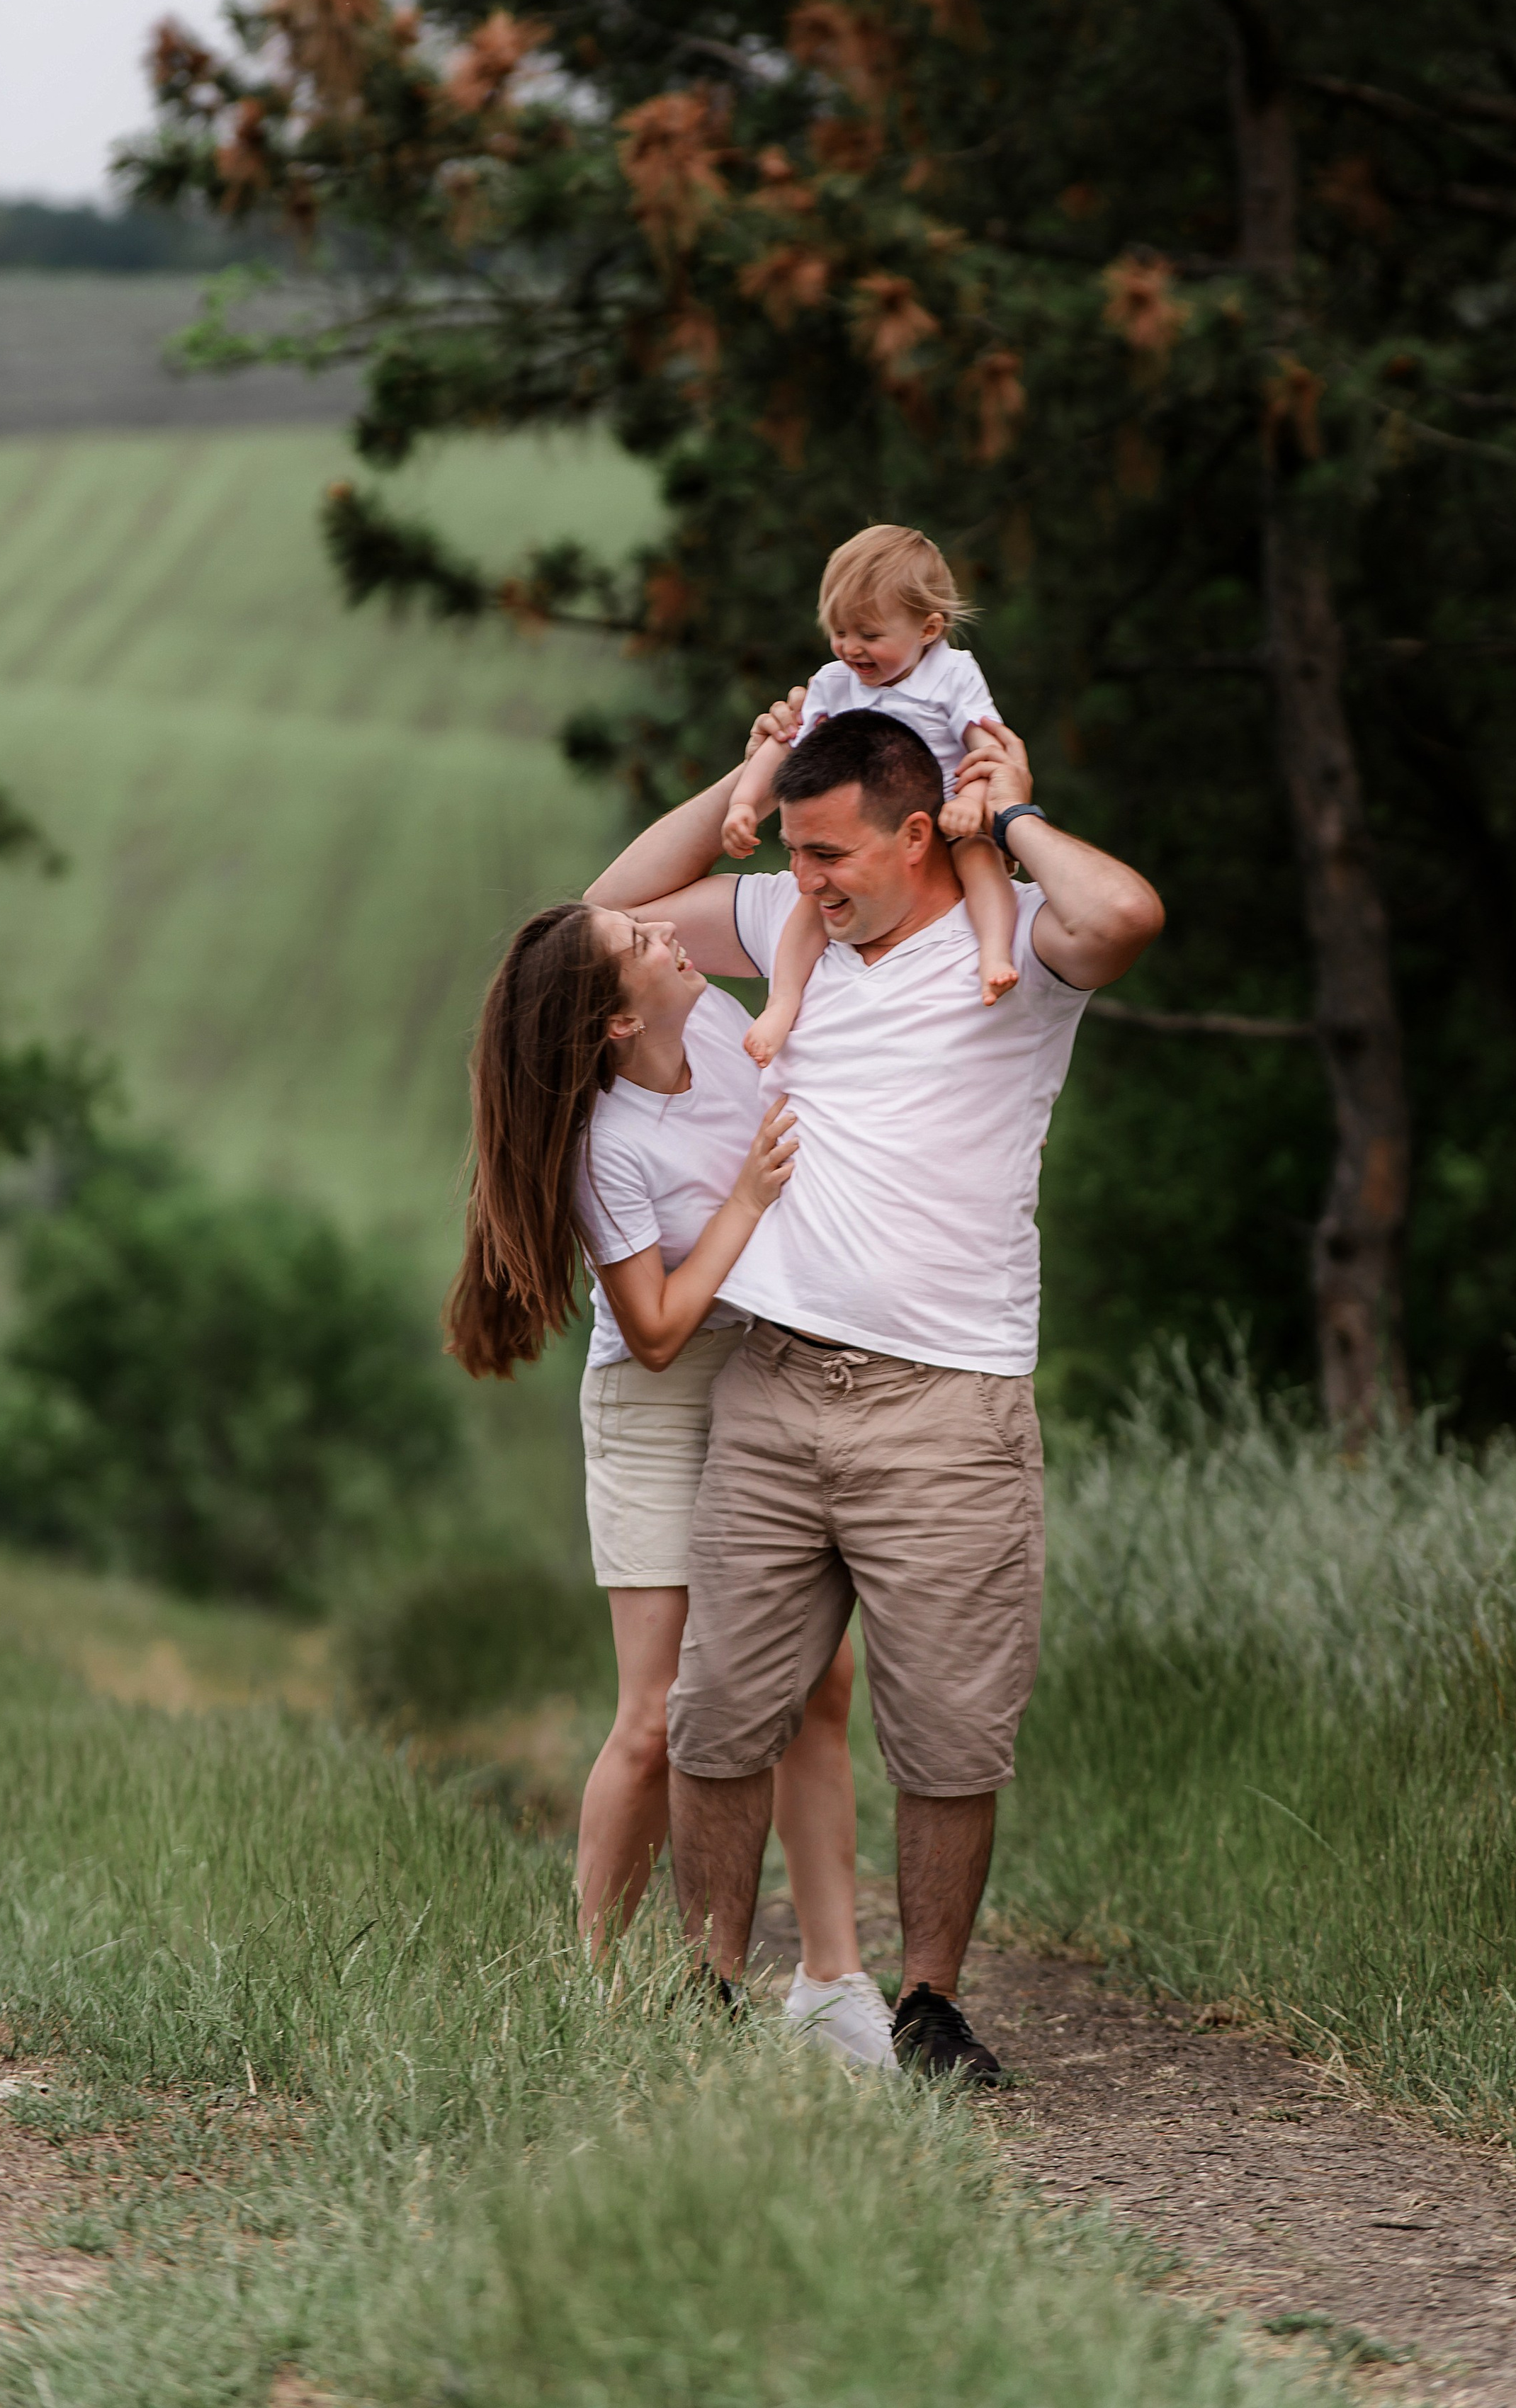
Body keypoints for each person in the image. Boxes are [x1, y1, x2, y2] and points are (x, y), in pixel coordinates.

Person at [585, 703, 1163, 2082]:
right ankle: (707, 1991)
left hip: (948, 1404)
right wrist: (740, 787)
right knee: (723, 1713)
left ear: (918, 834)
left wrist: (1009, 816)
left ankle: (927, 2007)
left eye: (832, 854)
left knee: (951, 1730)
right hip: (775, 1389)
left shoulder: (1012, 942)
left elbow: (1129, 908)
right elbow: (604, 913)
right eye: (792, 854)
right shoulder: (796, 926)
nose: (809, 881)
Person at [444, 895, 895, 2069]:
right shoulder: (609, 1144)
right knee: (654, 1715)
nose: (669, 939)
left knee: (817, 1685)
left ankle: (833, 1982)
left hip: (766, 1373)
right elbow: (650, 1328)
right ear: (608, 1019)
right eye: (641, 945)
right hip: (659, 1402)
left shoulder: (721, 1028)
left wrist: (756, 776)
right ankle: (581, 1988)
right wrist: (746, 1199)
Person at [723, 524, 1019, 1062]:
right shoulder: (834, 682)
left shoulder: (953, 676)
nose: (850, 648)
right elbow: (784, 745)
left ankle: (995, 949)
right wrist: (744, 801)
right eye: (838, 631)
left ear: (929, 628)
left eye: (870, 634)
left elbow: (988, 751)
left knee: (982, 863)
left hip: (949, 817)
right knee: (809, 908)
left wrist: (972, 803)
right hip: (869, 837)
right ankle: (783, 1001)